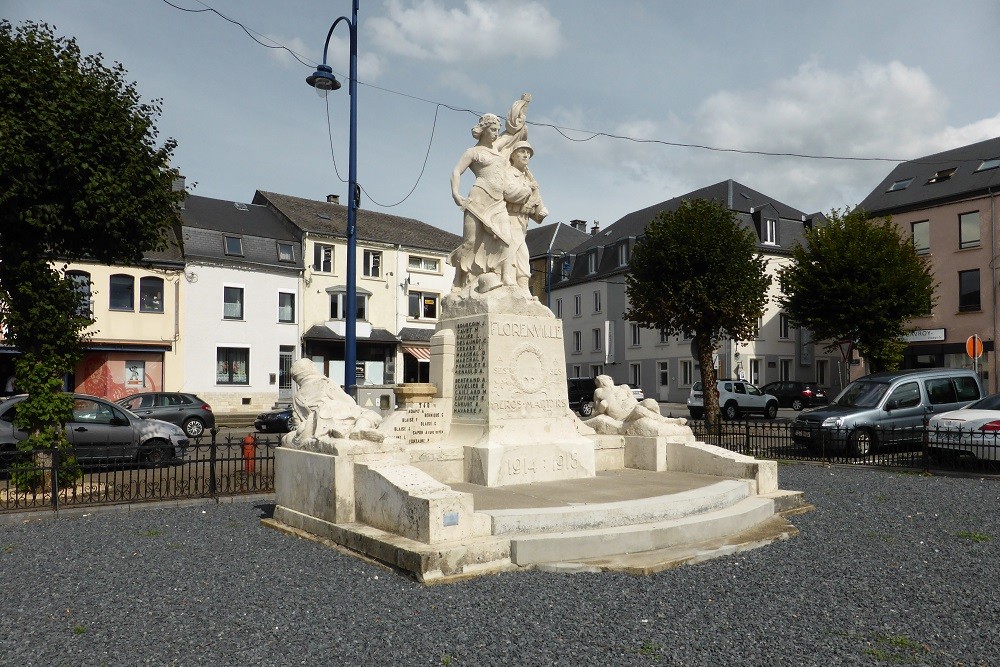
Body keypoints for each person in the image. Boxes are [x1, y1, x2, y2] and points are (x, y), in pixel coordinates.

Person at [448, 94, 531, 294]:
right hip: (477, 200)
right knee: (470, 243)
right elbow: (456, 171)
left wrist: (520, 107)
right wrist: (456, 193)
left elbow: (513, 132)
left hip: (498, 201)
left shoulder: (498, 146)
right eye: (492, 130)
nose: (496, 133)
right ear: (484, 130)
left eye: (496, 130)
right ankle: (459, 282)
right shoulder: (473, 152)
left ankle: (506, 277)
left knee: (506, 239)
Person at [502, 140, 548, 292]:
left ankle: (521, 288)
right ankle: (514, 283)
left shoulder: (528, 178)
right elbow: (510, 193)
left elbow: (535, 208)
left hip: (523, 221)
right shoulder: (508, 173)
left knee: (520, 253)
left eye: (528, 153)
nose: (526, 155)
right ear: (513, 155)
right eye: (522, 152)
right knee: (519, 252)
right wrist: (529, 188)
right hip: (509, 217)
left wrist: (540, 212)